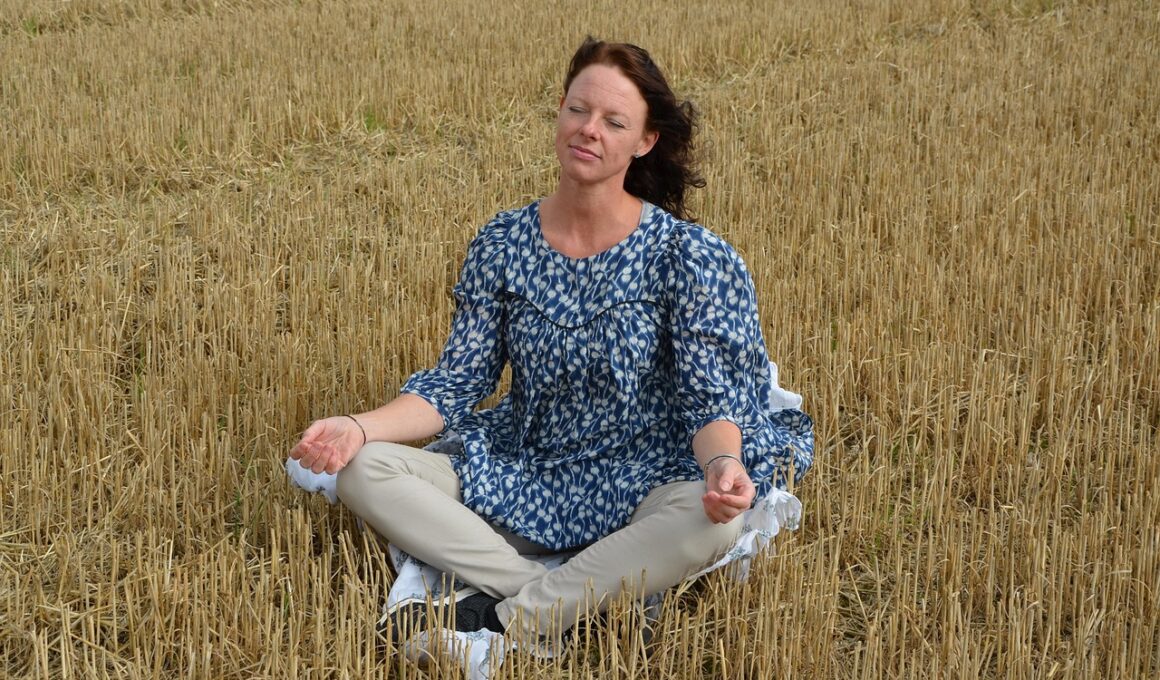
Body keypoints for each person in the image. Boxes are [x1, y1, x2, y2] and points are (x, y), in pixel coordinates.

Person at [289, 37, 814, 645]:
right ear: (560, 110)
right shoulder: (503, 242)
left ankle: (504, 618)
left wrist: (723, 465)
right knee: (363, 471)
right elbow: (456, 383)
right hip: (527, 476)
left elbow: (710, 402)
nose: (589, 129)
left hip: (646, 479)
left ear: (645, 142)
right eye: (578, 110)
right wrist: (358, 427)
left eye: (614, 121)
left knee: (713, 524)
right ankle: (560, 599)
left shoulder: (688, 256)